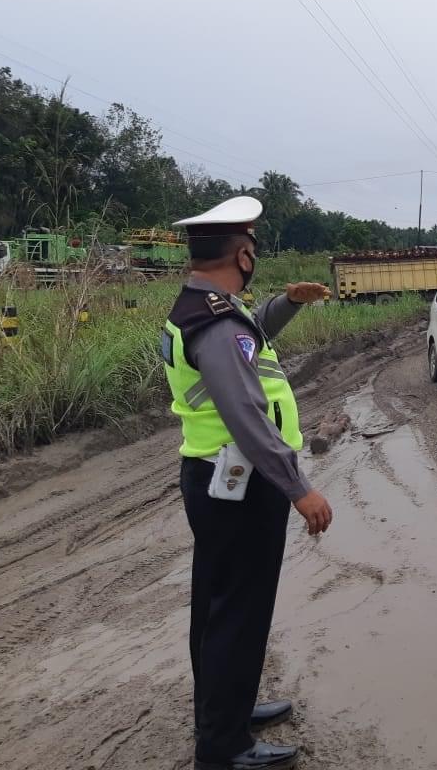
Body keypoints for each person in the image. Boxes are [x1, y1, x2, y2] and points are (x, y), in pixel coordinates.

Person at [162, 196, 333, 770]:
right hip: (237, 482)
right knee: (239, 610)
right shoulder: (214, 321)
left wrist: (286, 304)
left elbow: (248, 338)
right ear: (242, 254)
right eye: (252, 249)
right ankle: (224, 745)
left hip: (213, 477)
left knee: (217, 604)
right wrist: (297, 487)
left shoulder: (202, 308)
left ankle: (225, 709)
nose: (253, 257)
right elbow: (244, 410)